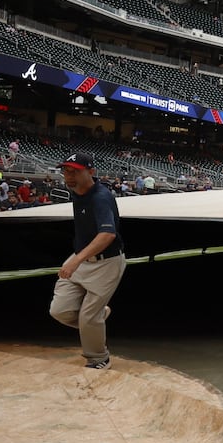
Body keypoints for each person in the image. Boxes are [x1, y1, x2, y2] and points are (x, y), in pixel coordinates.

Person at [49, 153, 126, 369]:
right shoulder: (77, 191)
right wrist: (78, 258)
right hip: (83, 257)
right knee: (60, 310)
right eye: (66, 170)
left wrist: (75, 260)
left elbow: (107, 235)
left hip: (106, 262)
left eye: (75, 171)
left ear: (91, 172)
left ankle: (99, 359)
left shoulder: (100, 197)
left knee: (88, 318)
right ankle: (97, 317)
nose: (69, 175)